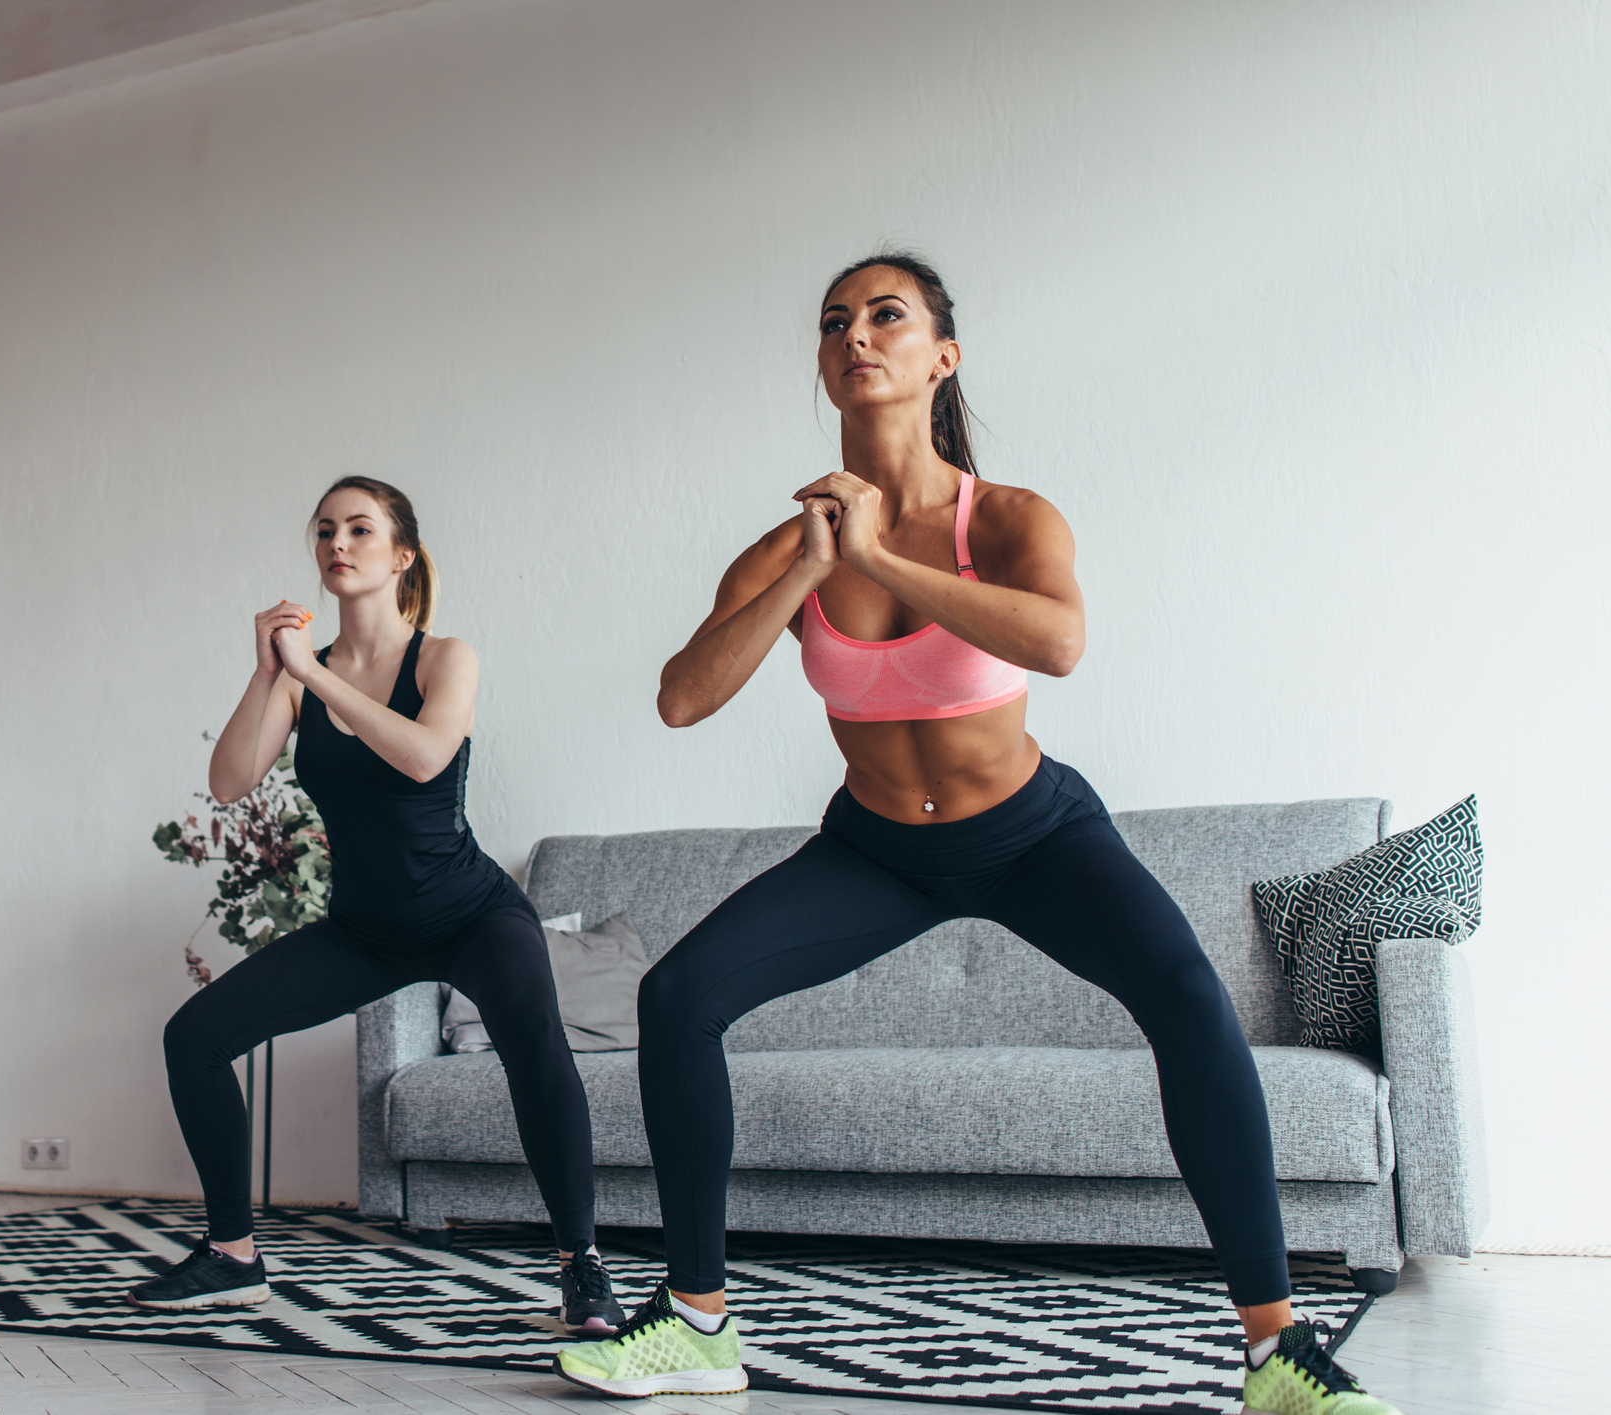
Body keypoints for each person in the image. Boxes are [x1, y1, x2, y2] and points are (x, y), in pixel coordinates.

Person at [553, 255, 1404, 1415]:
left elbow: (1057, 643)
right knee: (677, 996)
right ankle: (697, 1322)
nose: (857, 334)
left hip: (1034, 832)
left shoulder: (1003, 518)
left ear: (940, 356)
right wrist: (811, 561)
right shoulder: (789, 547)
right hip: (874, 849)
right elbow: (680, 697)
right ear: (821, 363)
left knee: (1186, 997)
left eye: (886, 316)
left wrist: (878, 558)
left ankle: (1274, 1351)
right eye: (834, 322)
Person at [131, 476, 623, 1334]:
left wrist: (313, 680)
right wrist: (268, 674)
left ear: (401, 555)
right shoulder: (299, 677)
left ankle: (580, 1264)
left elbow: (427, 756)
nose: (337, 543)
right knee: (194, 1037)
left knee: (537, 1052)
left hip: (472, 915)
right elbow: (227, 780)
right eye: (325, 530)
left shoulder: (443, 657)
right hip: (365, 930)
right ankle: (233, 1255)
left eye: (360, 529)